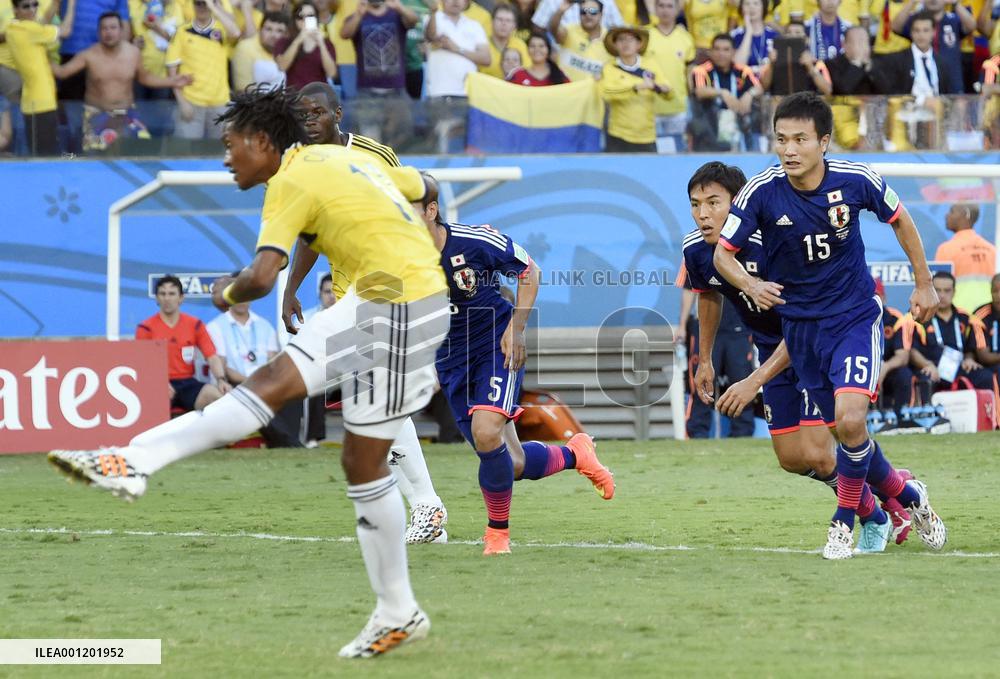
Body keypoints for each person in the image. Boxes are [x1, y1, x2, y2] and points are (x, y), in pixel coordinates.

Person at [49, 85, 451, 658]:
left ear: (263, 141)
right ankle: (399, 612)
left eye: (230, 143)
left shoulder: (291, 177)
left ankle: (134, 461)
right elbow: (424, 186)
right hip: (417, 298)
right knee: (361, 461)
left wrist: (222, 292)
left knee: (270, 387)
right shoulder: (351, 157)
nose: (225, 157)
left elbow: (258, 278)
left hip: (391, 299)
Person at [712, 91, 946, 559]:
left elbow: (901, 220)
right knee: (847, 432)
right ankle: (909, 496)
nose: (789, 149)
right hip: (800, 331)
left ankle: (843, 522)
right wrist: (752, 287)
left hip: (855, 317)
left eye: (800, 139)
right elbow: (722, 254)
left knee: (849, 419)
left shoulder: (856, 180)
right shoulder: (761, 191)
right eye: (781, 139)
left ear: (824, 141)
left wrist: (923, 284)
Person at [682, 161, 911, 551]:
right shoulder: (697, 251)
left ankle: (887, 506)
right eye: (695, 204)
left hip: (808, 343)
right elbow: (709, 295)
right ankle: (884, 501)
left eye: (713, 202)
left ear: (738, 204)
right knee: (791, 458)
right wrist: (704, 359)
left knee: (824, 451)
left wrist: (754, 379)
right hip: (772, 350)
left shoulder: (776, 245)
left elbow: (803, 320)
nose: (703, 213)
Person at [282, 80, 449, 546]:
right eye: (303, 115)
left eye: (316, 112)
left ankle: (426, 507)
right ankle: (422, 512)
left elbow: (418, 213)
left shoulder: (378, 156)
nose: (309, 121)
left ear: (338, 114)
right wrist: (291, 288)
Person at [415, 174, 615, 555]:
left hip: (496, 345)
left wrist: (517, 329)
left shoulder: (474, 241)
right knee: (513, 463)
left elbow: (529, 272)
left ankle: (497, 537)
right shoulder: (395, 255)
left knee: (487, 432)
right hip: (451, 362)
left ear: (431, 210)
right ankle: (577, 454)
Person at [51, 12, 191, 152]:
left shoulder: (133, 53)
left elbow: (145, 78)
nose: (108, 32)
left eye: (113, 27)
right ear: (99, 32)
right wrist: (41, 55)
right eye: (104, 28)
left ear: (121, 30)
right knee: (94, 161)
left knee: (143, 152)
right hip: (97, 115)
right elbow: (62, 72)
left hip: (127, 115)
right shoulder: (88, 55)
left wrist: (172, 81)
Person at [207, 293, 303, 447]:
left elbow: (273, 361)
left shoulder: (264, 325)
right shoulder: (216, 326)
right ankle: (291, 444)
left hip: (264, 381)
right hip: (235, 383)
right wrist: (255, 383)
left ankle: (287, 441)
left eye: (246, 294)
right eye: (237, 295)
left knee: (293, 393)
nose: (242, 299)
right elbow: (224, 367)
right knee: (256, 398)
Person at [136, 274, 230, 412]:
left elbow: (211, 356)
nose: (167, 298)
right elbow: (141, 364)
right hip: (158, 383)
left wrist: (221, 379)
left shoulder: (195, 324)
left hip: (188, 383)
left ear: (181, 298)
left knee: (215, 397)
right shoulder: (145, 328)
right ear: (157, 298)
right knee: (153, 405)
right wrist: (158, 382)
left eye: (172, 294)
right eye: (162, 294)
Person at [339, 0, 417, 148]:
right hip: (367, 92)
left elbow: (414, 21)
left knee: (402, 137)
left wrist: (400, 7)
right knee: (370, 143)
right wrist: (358, 14)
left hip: (396, 90)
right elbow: (344, 34)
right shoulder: (358, 16)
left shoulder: (397, 14)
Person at [6, 0, 76, 156]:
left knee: (39, 154)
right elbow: (65, 31)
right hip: (41, 103)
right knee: (47, 157)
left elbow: (41, 24)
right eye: (26, 6)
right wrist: (71, 4)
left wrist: (55, 4)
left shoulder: (14, 29)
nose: (32, 9)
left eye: (35, 4)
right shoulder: (30, 30)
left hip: (32, 101)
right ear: (15, 9)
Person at [166, 0, 239, 140]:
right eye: (198, 3)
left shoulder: (222, 29)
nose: (202, 7)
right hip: (191, 102)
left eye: (205, 3)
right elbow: (172, 71)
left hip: (220, 103)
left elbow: (235, 33)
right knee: (185, 153)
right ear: (192, 5)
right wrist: (182, 102)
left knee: (220, 153)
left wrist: (213, 6)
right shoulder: (182, 31)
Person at [910, 271, 993, 394]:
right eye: (937, 290)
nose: (942, 295)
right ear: (931, 291)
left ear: (954, 292)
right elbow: (911, 350)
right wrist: (926, 364)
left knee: (985, 376)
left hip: (958, 366)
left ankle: (985, 412)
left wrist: (969, 359)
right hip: (932, 367)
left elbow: (970, 348)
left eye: (947, 290)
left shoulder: (966, 318)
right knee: (926, 378)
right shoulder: (919, 315)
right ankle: (925, 413)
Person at [599, 25, 672, 152]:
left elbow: (669, 93)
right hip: (618, 134)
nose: (626, 43)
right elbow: (606, 93)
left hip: (647, 135)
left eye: (630, 39)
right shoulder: (609, 67)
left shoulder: (651, 64)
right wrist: (635, 87)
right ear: (615, 44)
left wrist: (660, 88)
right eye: (621, 39)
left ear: (639, 44)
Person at [689, 33, 760, 151]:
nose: (721, 54)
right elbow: (700, 91)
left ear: (733, 52)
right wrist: (722, 93)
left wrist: (749, 94)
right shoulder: (701, 70)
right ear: (710, 52)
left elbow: (759, 88)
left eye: (726, 50)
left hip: (739, 121)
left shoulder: (743, 70)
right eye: (717, 49)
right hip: (710, 126)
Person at [891, 0, 975, 95]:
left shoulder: (953, 19)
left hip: (953, 82)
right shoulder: (916, 21)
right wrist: (912, 2)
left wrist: (955, 3)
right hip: (922, 86)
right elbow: (895, 27)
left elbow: (971, 26)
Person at [644, 0, 695, 153]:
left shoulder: (686, 37)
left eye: (669, 6)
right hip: (649, 107)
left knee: (677, 153)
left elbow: (689, 72)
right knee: (652, 154)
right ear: (655, 8)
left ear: (677, 10)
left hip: (678, 106)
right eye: (661, 6)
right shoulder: (645, 35)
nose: (665, 10)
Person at [56, 0, 129, 101]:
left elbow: (124, 25)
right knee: (71, 107)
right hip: (71, 53)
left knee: (103, 106)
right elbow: (52, 9)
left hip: (103, 56)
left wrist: (119, 57)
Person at [934, 203, 995, 313]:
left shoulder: (945, 249)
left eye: (952, 211)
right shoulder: (991, 249)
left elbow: (939, 286)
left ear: (966, 214)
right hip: (986, 314)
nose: (947, 215)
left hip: (959, 315)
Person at [425, 0, 490, 97]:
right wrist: (433, 12)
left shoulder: (474, 25)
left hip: (468, 94)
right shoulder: (432, 18)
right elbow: (431, 36)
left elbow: (486, 59)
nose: (455, 1)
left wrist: (457, 49)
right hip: (438, 92)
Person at [303, 271, 336, 446]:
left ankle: (372, 440)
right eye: (327, 291)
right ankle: (313, 439)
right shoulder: (308, 319)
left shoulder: (354, 318)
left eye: (335, 291)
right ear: (319, 294)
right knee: (314, 382)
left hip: (348, 373)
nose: (331, 296)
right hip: (321, 373)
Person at [275, 1, 338, 90]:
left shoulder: (326, 43)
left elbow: (331, 73)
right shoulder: (284, 42)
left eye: (310, 16)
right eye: (300, 17)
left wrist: (321, 44)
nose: (304, 20)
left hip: (318, 96)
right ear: (294, 19)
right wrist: (299, 39)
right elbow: (282, 67)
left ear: (317, 18)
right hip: (294, 97)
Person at [760, 20, 832, 95]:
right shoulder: (774, 60)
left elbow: (827, 90)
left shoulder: (816, 62)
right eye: (789, 32)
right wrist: (771, 64)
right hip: (781, 103)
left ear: (807, 39)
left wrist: (810, 67)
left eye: (797, 33)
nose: (793, 35)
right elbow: (763, 87)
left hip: (806, 103)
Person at [548, 0, 610, 81]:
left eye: (593, 11)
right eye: (583, 12)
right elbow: (554, 30)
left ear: (601, 14)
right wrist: (561, 11)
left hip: (594, 92)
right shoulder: (569, 31)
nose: (588, 15)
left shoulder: (609, 39)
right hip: (566, 89)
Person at [231, 10, 288, 91]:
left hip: (283, 101)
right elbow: (242, 88)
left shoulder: (286, 49)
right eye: (268, 29)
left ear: (286, 35)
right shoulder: (246, 48)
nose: (273, 35)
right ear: (260, 30)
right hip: (253, 102)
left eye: (279, 31)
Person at [731, 0, 779, 76]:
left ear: (763, 7)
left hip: (770, 82)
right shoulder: (735, 35)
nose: (751, 7)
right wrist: (749, 32)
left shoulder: (774, 35)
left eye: (756, 3)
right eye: (747, 4)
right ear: (741, 8)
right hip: (744, 82)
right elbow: (738, 66)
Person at [481, 3, 529, 79]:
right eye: (500, 19)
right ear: (492, 22)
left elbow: (527, 73)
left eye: (508, 20)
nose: (504, 24)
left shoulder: (520, 45)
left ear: (514, 25)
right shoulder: (481, 43)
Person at [972, 273, 1000, 391]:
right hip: (990, 366)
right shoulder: (980, 316)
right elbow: (984, 357)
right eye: (995, 291)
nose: (999, 296)